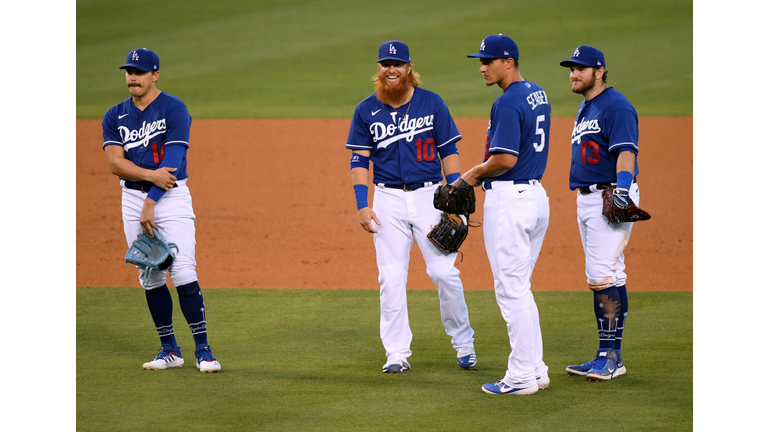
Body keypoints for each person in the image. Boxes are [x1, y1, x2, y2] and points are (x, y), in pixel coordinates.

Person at [346, 40, 476, 373]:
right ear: (379, 69)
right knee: (390, 277)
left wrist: (455, 195)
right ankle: (396, 353)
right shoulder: (365, 110)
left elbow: (448, 152)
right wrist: (362, 205)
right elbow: (359, 159)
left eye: (397, 64)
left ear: (408, 69)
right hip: (386, 198)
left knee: (443, 272)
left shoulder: (432, 103)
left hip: (429, 196)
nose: (391, 70)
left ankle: (464, 343)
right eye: (384, 64)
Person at [102, 48, 221, 373]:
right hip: (131, 199)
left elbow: (170, 166)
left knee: (182, 270)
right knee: (149, 273)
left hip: (170, 198)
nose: (132, 77)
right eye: (129, 71)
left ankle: (203, 350)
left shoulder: (173, 108)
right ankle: (169, 349)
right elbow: (115, 164)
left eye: (139, 72)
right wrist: (147, 177)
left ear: (155, 75)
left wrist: (151, 201)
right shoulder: (114, 115)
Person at [460, 34, 551, 395]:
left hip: (511, 201)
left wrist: (470, 176)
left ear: (509, 61)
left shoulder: (508, 102)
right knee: (520, 290)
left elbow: (504, 159)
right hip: (535, 198)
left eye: (489, 61)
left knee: (511, 292)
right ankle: (536, 369)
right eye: (480, 61)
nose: (482, 67)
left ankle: (520, 379)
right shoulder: (537, 92)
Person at [559, 45, 639, 381]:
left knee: (601, 275)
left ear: (599, 71)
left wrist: (621, 189)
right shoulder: (586, 107)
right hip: (588, 199)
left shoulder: (616, 105)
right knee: (612, 273)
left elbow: (625, 151)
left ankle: (609, 355)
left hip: (609, 195)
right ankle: (610, 355)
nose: (573, 74)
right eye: (571, 69)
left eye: (580, 68)